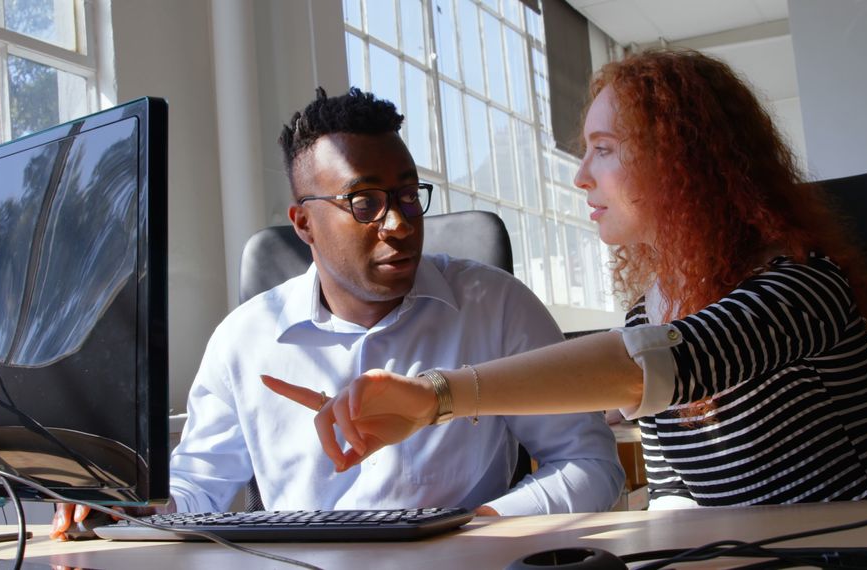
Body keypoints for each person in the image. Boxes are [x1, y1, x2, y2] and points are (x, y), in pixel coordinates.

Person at [270, 51, 867, 509]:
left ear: (684, 162)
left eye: (605, 149)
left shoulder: (801, 287)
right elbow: (676, 493)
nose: (581, 175)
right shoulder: (650, 311)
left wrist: (436, 396)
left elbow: (658, 367)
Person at [50, 87, 623, 539]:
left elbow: (591, 464)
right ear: (304, 224)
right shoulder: (243, 342)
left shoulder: (495, 306)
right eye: (365, 202)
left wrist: (475, 530)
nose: (399, 223)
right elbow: (199, 490)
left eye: (406, 194)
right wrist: (125, 503)